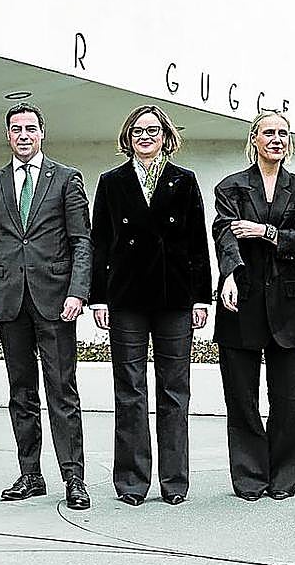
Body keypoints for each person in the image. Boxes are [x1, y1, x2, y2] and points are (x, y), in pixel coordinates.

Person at [0, 103, 92, 510]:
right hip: (9, 303)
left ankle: (73, 478)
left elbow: (81, 242)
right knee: (21, 392)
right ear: (8, 135)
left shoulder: (66, 179)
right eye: (16, 129)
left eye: (30, 129)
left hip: (56, 302)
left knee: (62, 390)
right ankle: (30, 474)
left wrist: (78, 291)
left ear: (42, 133)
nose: (23, 135)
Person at [90, 105, 212, 506]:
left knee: (175, 389)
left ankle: (174, 481)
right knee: (129, 389)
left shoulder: (184, 180)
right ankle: (131, 481)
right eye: (138, 131)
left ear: (165, 136)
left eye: (153, 130)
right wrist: (99, 297)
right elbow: (101, 243)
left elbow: (197, 243)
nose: (145, 137)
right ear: (128, 136)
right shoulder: (112, 182)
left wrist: (200, 297)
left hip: (174, 297)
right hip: (125, 298)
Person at [212, 111, 295, 501]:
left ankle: (284, 476)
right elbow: (224, 232)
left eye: (282, 133)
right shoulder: (231, 187)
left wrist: (267, 232)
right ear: (254, 139)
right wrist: (228, 274)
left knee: (288, 398)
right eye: (268, 133)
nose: (276, 139)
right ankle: (249, 477)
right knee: (242, 397)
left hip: (289, 305)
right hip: (241, 299)